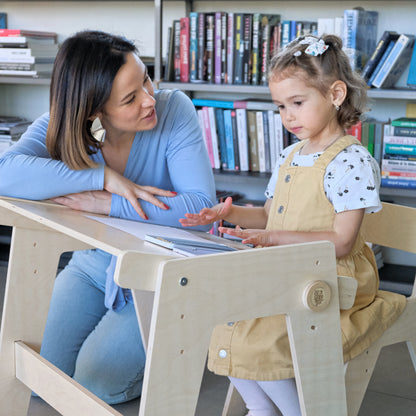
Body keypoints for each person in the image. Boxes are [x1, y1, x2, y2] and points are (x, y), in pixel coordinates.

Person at [180, 34, 406, 416]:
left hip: (331, 279)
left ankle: (300, 411)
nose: (288, 116)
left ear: (335, 94)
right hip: (283, 271)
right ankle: (260, 408)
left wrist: (269, 238)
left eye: (298, 103)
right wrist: (229, 214)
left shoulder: (352, 161)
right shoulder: (290, 155)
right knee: (222, 322)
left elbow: (341, 242)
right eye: (281, 106)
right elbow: (269, 215)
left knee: (262, 339)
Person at [0, 30, 216, 404]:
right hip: (94, 265)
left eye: (146, 78)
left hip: (161, 278)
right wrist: (101, 178)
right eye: (131, 98)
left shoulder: (174, 108)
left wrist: (106, 203)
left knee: (96, 386)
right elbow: (5, 171)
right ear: (94, 111)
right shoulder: (69, 122)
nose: (150, 100)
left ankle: (179, 354)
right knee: (37, 375)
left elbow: (199, 209)